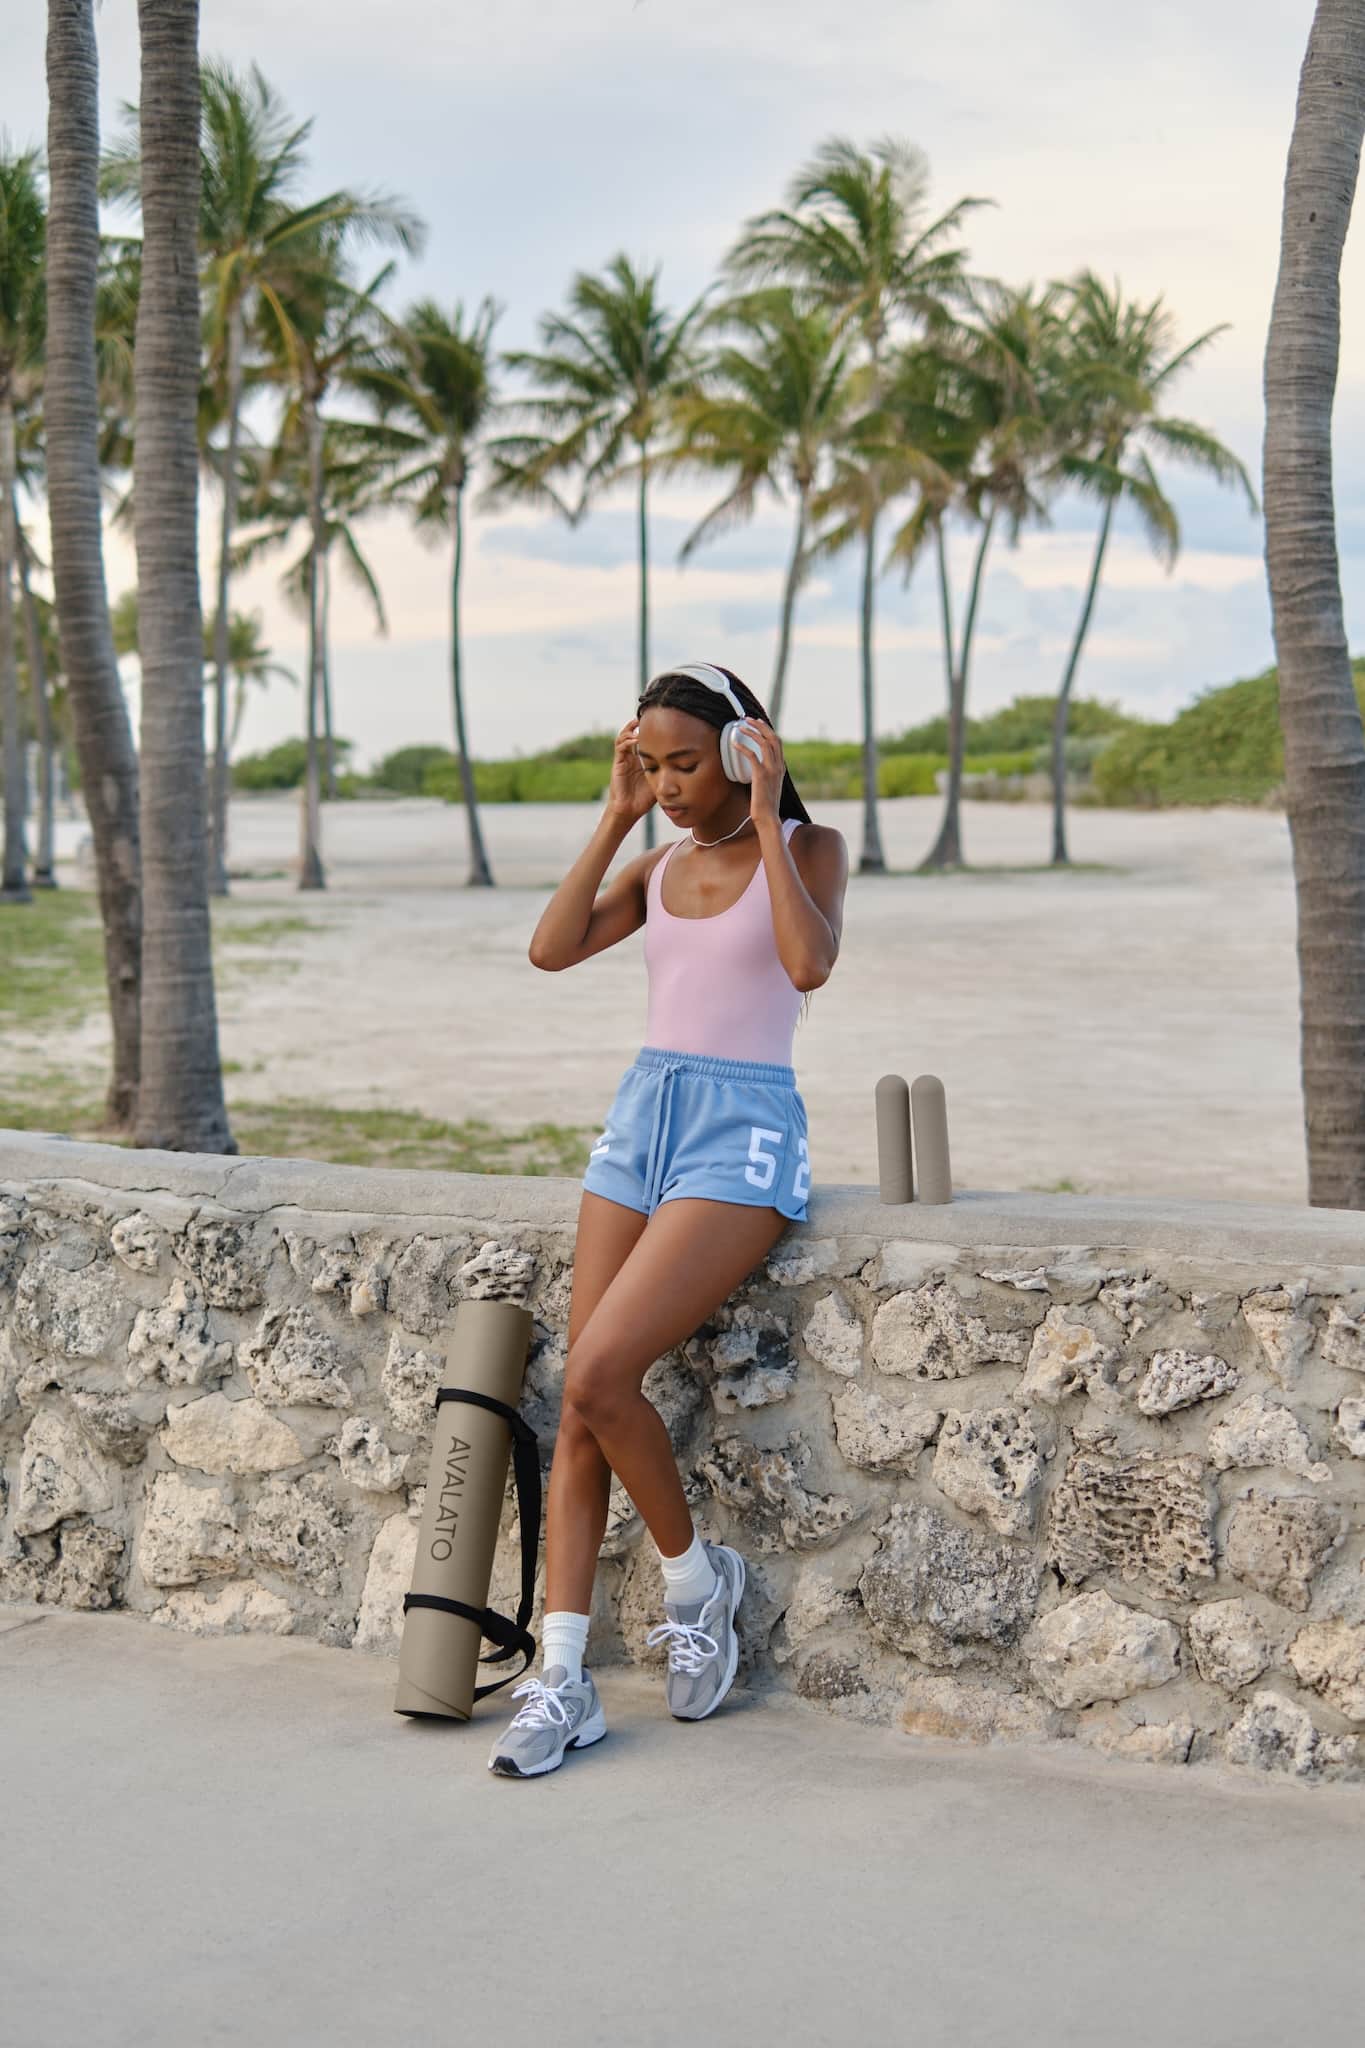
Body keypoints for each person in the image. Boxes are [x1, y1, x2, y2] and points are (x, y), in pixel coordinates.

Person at [488, 662, 849, 1777]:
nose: (670, 785)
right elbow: (548, 949)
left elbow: (807, 963)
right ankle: (562, 1674)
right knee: (583, 1402)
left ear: (745, 747)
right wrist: (614, 816)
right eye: (651, 765)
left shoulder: (813, 849)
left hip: (743, 1131)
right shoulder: (657, 860)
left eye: (685, 762)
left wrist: (774, 805)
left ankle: (696, 1582)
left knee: (599, 1372)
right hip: (641, 1118)